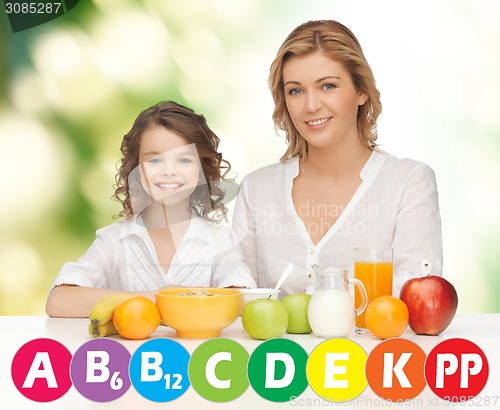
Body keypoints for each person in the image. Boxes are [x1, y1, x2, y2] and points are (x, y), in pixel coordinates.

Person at [232, 20, 442, 296]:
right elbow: (235, 289)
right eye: (296, 90)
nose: (311, 105)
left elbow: (417, 292)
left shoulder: (409, 183)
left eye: (328, 86)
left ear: (361, 91)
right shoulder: (256, 189)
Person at [46, 101, 255, 317]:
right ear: (135, 168)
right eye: (154, 160)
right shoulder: (114, 240)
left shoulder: (219, 241)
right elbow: (58, 301)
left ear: (201, 169)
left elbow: (241, 300)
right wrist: (158, 298)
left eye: (184, 159)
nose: (169, 171)